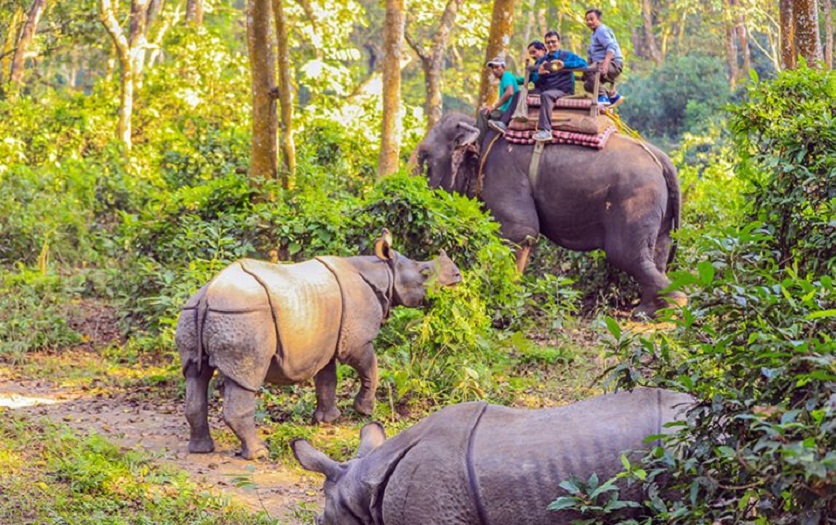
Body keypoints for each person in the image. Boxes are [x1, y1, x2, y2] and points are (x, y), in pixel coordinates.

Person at [530, 31, 588, 142]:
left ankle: (545, 130)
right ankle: (508, 121)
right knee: (521, 94)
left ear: (559, 42)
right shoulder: (542, 60)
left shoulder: (566, 56)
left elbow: (583, 63)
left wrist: (564, 65)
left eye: (553, 42)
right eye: (548, 43)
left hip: (563, 90)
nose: (551, 45)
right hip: (547, 88)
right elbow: (534, 79)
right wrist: (539, 73)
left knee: (546, 95)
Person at [583, 9, 624, 107]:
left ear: (598, 19)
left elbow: (612, 46)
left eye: (592, 19)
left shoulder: (601, 30)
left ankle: (603, 96)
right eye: (587, 20)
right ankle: (613, 96)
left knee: (589, 70)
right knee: (587, 85)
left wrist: (606, 63)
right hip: (600, 64)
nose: (589, 22)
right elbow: (591, 56)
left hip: (613, 64)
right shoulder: (593, 35)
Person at [476, 56, 519, 138]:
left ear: (503, 67)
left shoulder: (506, 76)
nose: (494, 70)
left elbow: (509, 92)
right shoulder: (506, 78)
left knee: (483, 114)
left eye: (497, 67)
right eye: (492, 68)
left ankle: (478, 144)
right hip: (505, 110)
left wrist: (494, 106)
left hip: (506, 112)